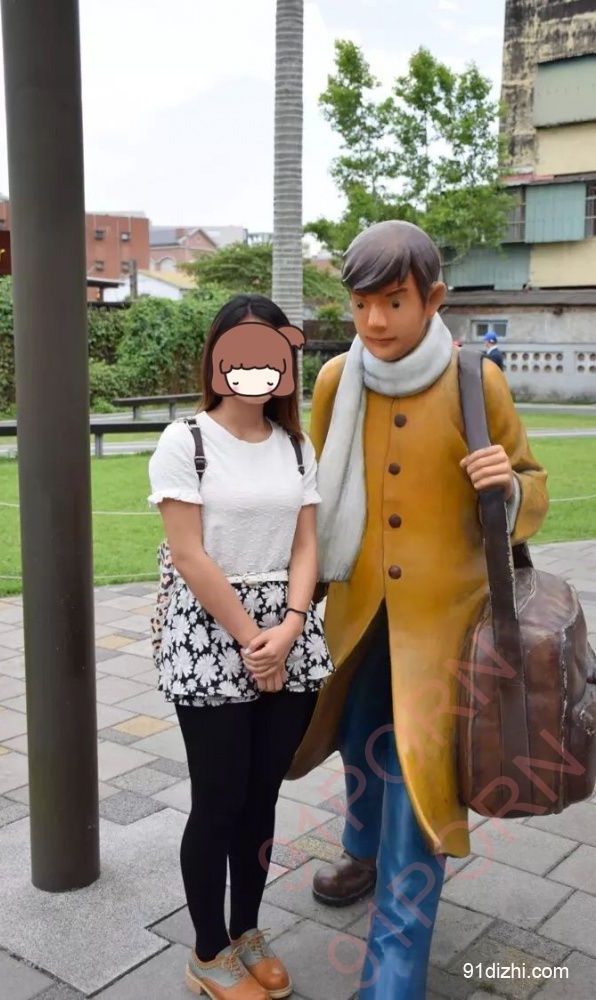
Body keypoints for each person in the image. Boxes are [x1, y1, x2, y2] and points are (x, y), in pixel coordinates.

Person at [286, 221, 548, 999]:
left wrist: (508, 485)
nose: (374, 321)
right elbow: (316, 493)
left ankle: (393, 974)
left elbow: (532, 484)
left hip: (444, 624)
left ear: (433, 299)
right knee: (357, 739)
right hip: (356, 611)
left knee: (416, 784)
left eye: (393, 302)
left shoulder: (476, 381)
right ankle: (360, 849)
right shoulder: (337, 380)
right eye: (361, 303)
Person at [148, 293, 334, 1000]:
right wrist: (255, 640)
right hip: (210, 632)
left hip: (289, 629)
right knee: (219, 800)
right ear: (218, 359)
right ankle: (207, 951)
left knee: (261, 798)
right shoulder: (185, 441)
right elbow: (188, 555)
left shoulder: (296, 445)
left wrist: (290, 627)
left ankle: (247, 929)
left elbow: (307, 543)